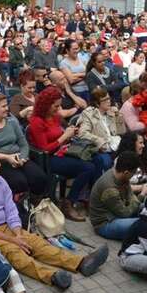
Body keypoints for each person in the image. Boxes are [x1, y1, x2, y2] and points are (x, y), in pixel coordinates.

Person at [0, 149, 108, 289]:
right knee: (16, 254)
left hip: (8, 227)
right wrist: (14, 241)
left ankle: (80, 263)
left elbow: (11, 209)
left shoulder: (0, 181)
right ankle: (52, 276)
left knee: (38, 243)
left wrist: (18, 235)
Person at [27, 87, 97, 220]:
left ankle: (88, 198)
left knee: (97, 159)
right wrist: (64, 137)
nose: (58, 108)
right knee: (88, 168)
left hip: (61, 151)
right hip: (48, 159)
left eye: (59, 105)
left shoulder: (55, 116)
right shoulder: (37, 121)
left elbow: (62, 134)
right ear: (46, 105)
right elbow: (45, 149)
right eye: (56, 106)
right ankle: (69, 202)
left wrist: (71, 132)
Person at [0, 93, 48, 201]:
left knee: (39, 177)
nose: (7, 108)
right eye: (3, 106)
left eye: (7, 105)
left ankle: (35, 203)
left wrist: (22, 158)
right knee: (19, 182)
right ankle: (19, 205)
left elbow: (23, 144)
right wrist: (6, 157)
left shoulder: (12, 122)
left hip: (18, 158)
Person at [89, 151, 145, 240]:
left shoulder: (120, 175)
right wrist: (142, 195)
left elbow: (130, 196)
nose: (133, 175)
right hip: (105, 224)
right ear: (126, 172)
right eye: (133, 173)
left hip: (118, 213)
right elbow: (125, 213)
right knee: (144, 224)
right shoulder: (110, 189)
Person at [76, 86, 125, 169]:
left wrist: (117, 116)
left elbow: (122, 132)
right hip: (101, 149)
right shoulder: (88, 114)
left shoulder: (111, 111)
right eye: (105, 100)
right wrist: (99, 141)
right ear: (96, 103)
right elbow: (82, 134)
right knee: (107, 161)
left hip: (116, 145)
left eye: (109, 98)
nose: (109, 101)